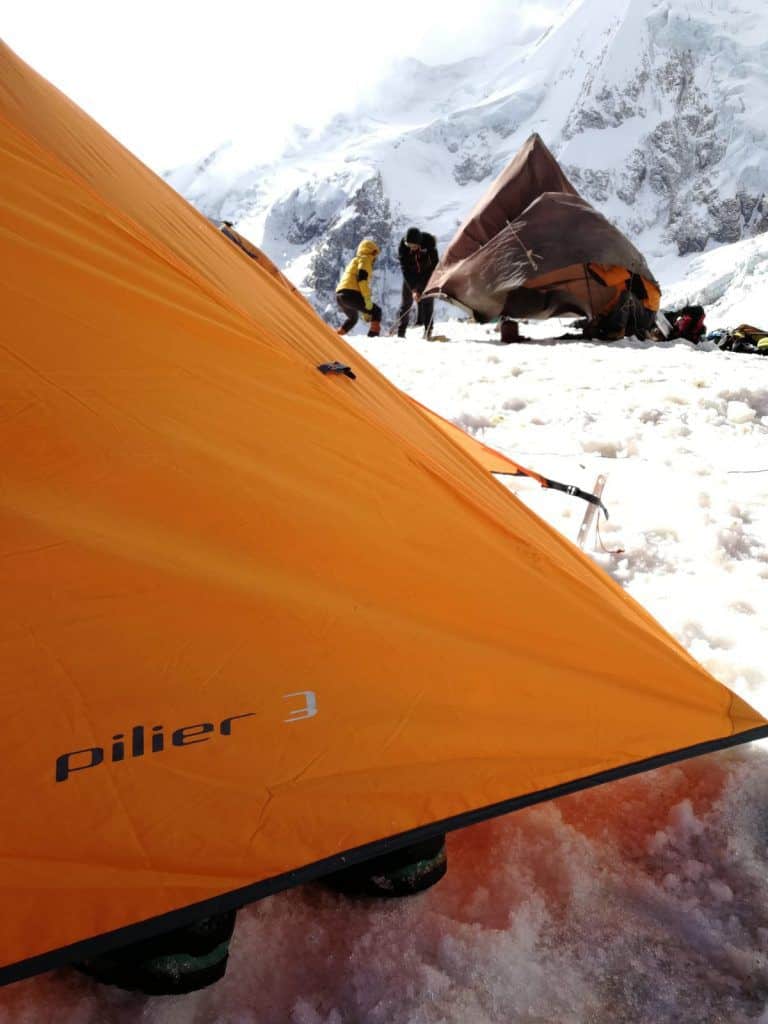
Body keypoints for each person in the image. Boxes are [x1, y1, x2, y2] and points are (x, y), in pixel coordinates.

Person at [395, 228, 439, 338]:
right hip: (410, 276)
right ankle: (401, 333)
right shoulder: (403, 248)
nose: (411, 248)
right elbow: (404, 269)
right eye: (409, 245)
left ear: (419, 243)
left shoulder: (429, 245)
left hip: (426, 275)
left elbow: (434, 266)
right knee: (406, 303)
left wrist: (424, 287)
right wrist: (414, 289)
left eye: (414, 246)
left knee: (427, 301)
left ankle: (428, 330)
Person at [335, 239, 382, 337]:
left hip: (340, 296)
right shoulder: (365, 260)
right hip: (351, 295)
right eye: (375, 255)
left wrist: (365, 312)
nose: (375, 259)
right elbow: (362, 280)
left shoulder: (355, 260)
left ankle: (337, 336)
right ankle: (373, 339)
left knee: (353, 318)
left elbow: (354, 282)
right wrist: (367, 299)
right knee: (376, 311)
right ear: (372, 252)